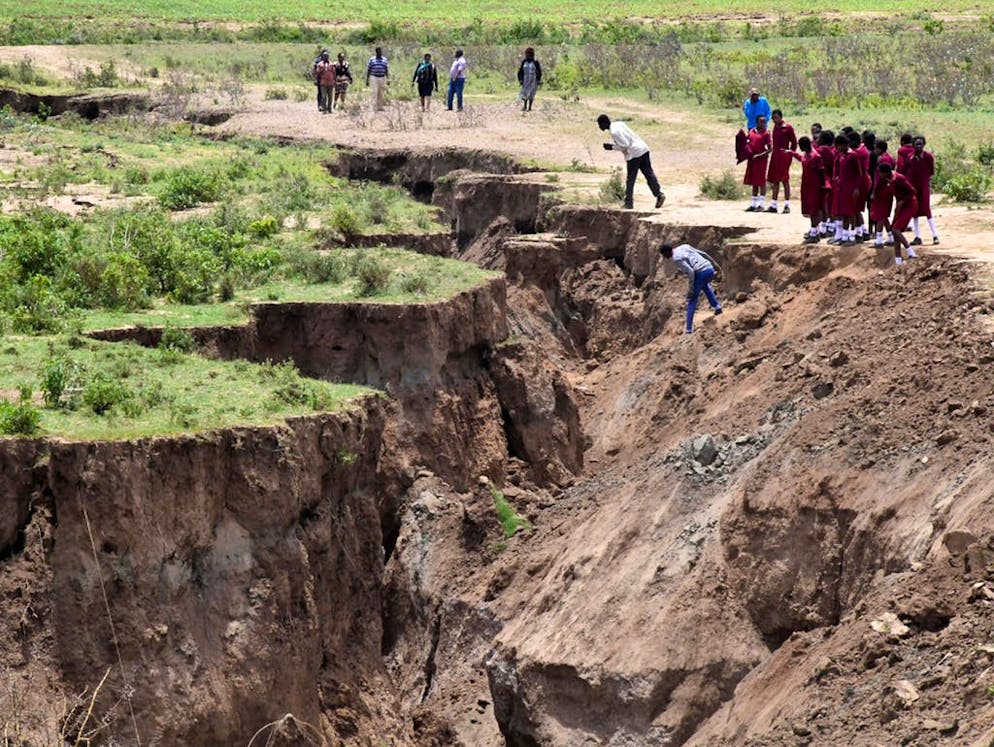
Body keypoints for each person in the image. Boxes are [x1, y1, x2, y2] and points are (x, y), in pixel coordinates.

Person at [597, 113, 665, 210]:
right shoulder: (619, 124)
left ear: (603, 123)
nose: (599, 127)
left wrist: (611, 147)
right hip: (643, 148)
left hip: (634, 154)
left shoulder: (614, 132)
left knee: (630, 180)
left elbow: (625, 145)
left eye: (599, 125)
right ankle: (659, 195)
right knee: (649, 174)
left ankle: (628, 203)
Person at [659, 243, 722, 334]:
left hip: (701, 272)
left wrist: (691, 288)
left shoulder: (677, 258)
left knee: (692, 300)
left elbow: (691, 272)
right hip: (709, 269)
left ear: (666, 252)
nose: (665, 257)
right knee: (705, 286)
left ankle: (688, 329)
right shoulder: (685, 246)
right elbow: (703, 254)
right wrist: (715, 264)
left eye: (664, 255)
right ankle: (717, 307)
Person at [874, 163, 918, 265]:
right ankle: (898, 261)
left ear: (885, 172)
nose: (879, 175)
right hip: (900, 206)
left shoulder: (899, 178)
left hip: (910, 204)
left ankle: (911, 252)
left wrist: (902, 201)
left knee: (895, 229)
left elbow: (912, 191)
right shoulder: (886, 180)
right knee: (895, 232)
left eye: (880, 173)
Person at [904, 135, 939, 245]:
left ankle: (935, 236)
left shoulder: (928, 157)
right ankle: (917, 236)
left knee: (927, 210)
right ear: (913, 145)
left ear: (924, 145)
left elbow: (931, 171)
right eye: (916, 144)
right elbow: (907, 171)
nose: (919, 146)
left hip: (924, 187)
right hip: (913, 188)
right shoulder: (910, 157)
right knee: (914, 211)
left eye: (920, 144)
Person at [792, 136, 827, 243]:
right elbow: (801, 159)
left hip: (814, 185)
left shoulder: (815, 156)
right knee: (809, 208)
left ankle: (814, 233)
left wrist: (822, 186)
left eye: (800, 146)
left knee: (814, 209)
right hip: (806, 185)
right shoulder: (806, 155)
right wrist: (791, 153)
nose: (800, 148)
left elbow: (821, 172)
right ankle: (814, 231)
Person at [828, 133, 862, 246]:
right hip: (841, 188)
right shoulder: (841, 155)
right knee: (843, 213)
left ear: (843, 145)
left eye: (837, 146)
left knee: (850, 212)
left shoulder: (853, 155)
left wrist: (857, 188)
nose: (836, 148)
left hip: (850, 188)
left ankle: (852, 237)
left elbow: (858, 173)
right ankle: (844, 236)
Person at [766, 109, 797, 213]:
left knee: (785, 180)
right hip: (775, 156)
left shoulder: (787, 127)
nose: (774, 120)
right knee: (775, 180)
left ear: (780, 117)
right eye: (773, 118)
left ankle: (787, 205)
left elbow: (794, 142)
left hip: (784, 156)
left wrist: (790, 153)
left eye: (776, 117)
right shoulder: (775, 127)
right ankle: (774, 205)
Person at [743, 114, 772, 211]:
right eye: (761, 121)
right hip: (752, 160)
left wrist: (759, 155)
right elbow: (747, 143)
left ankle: (762, 204)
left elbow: (770, 149)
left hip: (761, 160)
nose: (764, 123)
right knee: (753, 181)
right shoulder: (751, 131)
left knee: (761, 181)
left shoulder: (766, 133)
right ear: (756, 122)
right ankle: (753, 204)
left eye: (765, 122)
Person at [517, 47, 542, 112]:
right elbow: (520, 71)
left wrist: (538, 79)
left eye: (528, 54)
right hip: (525, 80)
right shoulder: (524, 62)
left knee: (531, 93)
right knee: (525, 93)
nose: (527, 56)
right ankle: (525, 106)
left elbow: (539, 71)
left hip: (533, 80)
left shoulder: (535, 62)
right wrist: (520, 80)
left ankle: (530, 107)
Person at [366, 47, 389, 111]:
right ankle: (374, 106)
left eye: (380, 52)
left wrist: (388, 78)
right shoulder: (372, 59)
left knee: (381, 92)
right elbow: (369, 69)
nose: (380, 53)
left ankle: (380, 106)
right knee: (374, 92)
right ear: (376, 52)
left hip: (382, 77)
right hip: (374, 77)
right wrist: (367, 80)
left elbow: (386, 69)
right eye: (378, 52)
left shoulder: (384, 59)